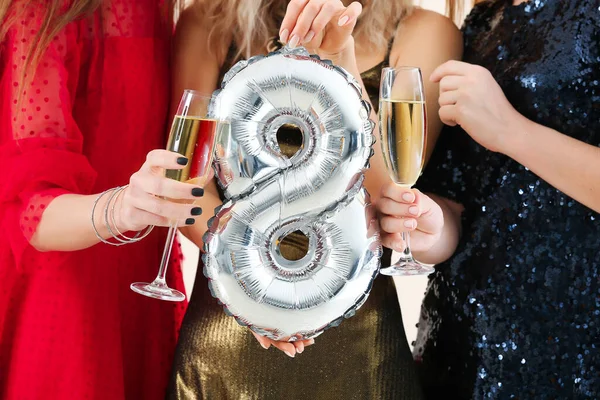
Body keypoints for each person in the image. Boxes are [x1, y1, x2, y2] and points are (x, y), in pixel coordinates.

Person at [167, 0, 462, 398]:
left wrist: (340, 63)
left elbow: (391, 195)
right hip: (232, 325)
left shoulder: (423, 29)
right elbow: (187, 186)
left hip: (360, 338)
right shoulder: (209, 21)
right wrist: (254, 289)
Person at [377, 0, 600, 398]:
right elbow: (460, 204)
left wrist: (511, 130)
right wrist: (430, 228)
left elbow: (502, 131)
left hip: (571, 360)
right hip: (458, 351)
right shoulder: (484, 18)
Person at [0, 1, 208, 399]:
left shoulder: (164, 10)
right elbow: (33, 213)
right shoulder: (46, 10)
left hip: (141, 289)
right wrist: (122, 207)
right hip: (69, 304)